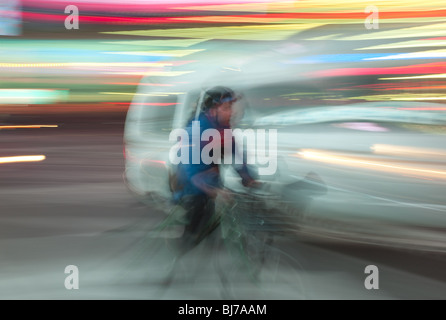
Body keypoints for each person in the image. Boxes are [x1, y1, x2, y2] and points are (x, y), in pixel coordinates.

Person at [171, 86, 259, 250]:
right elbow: (191, 169)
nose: (231, 112)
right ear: (212, 111)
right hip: (189, 186)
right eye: (226, 108)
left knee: (213, 225)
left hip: (210, 183)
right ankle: (179, 259)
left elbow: (236, 156)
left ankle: (202, 252)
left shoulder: (223, 129)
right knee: (197, 226)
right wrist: (214, 189)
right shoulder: (197, 130)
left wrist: (249, 178)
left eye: (231, 108)